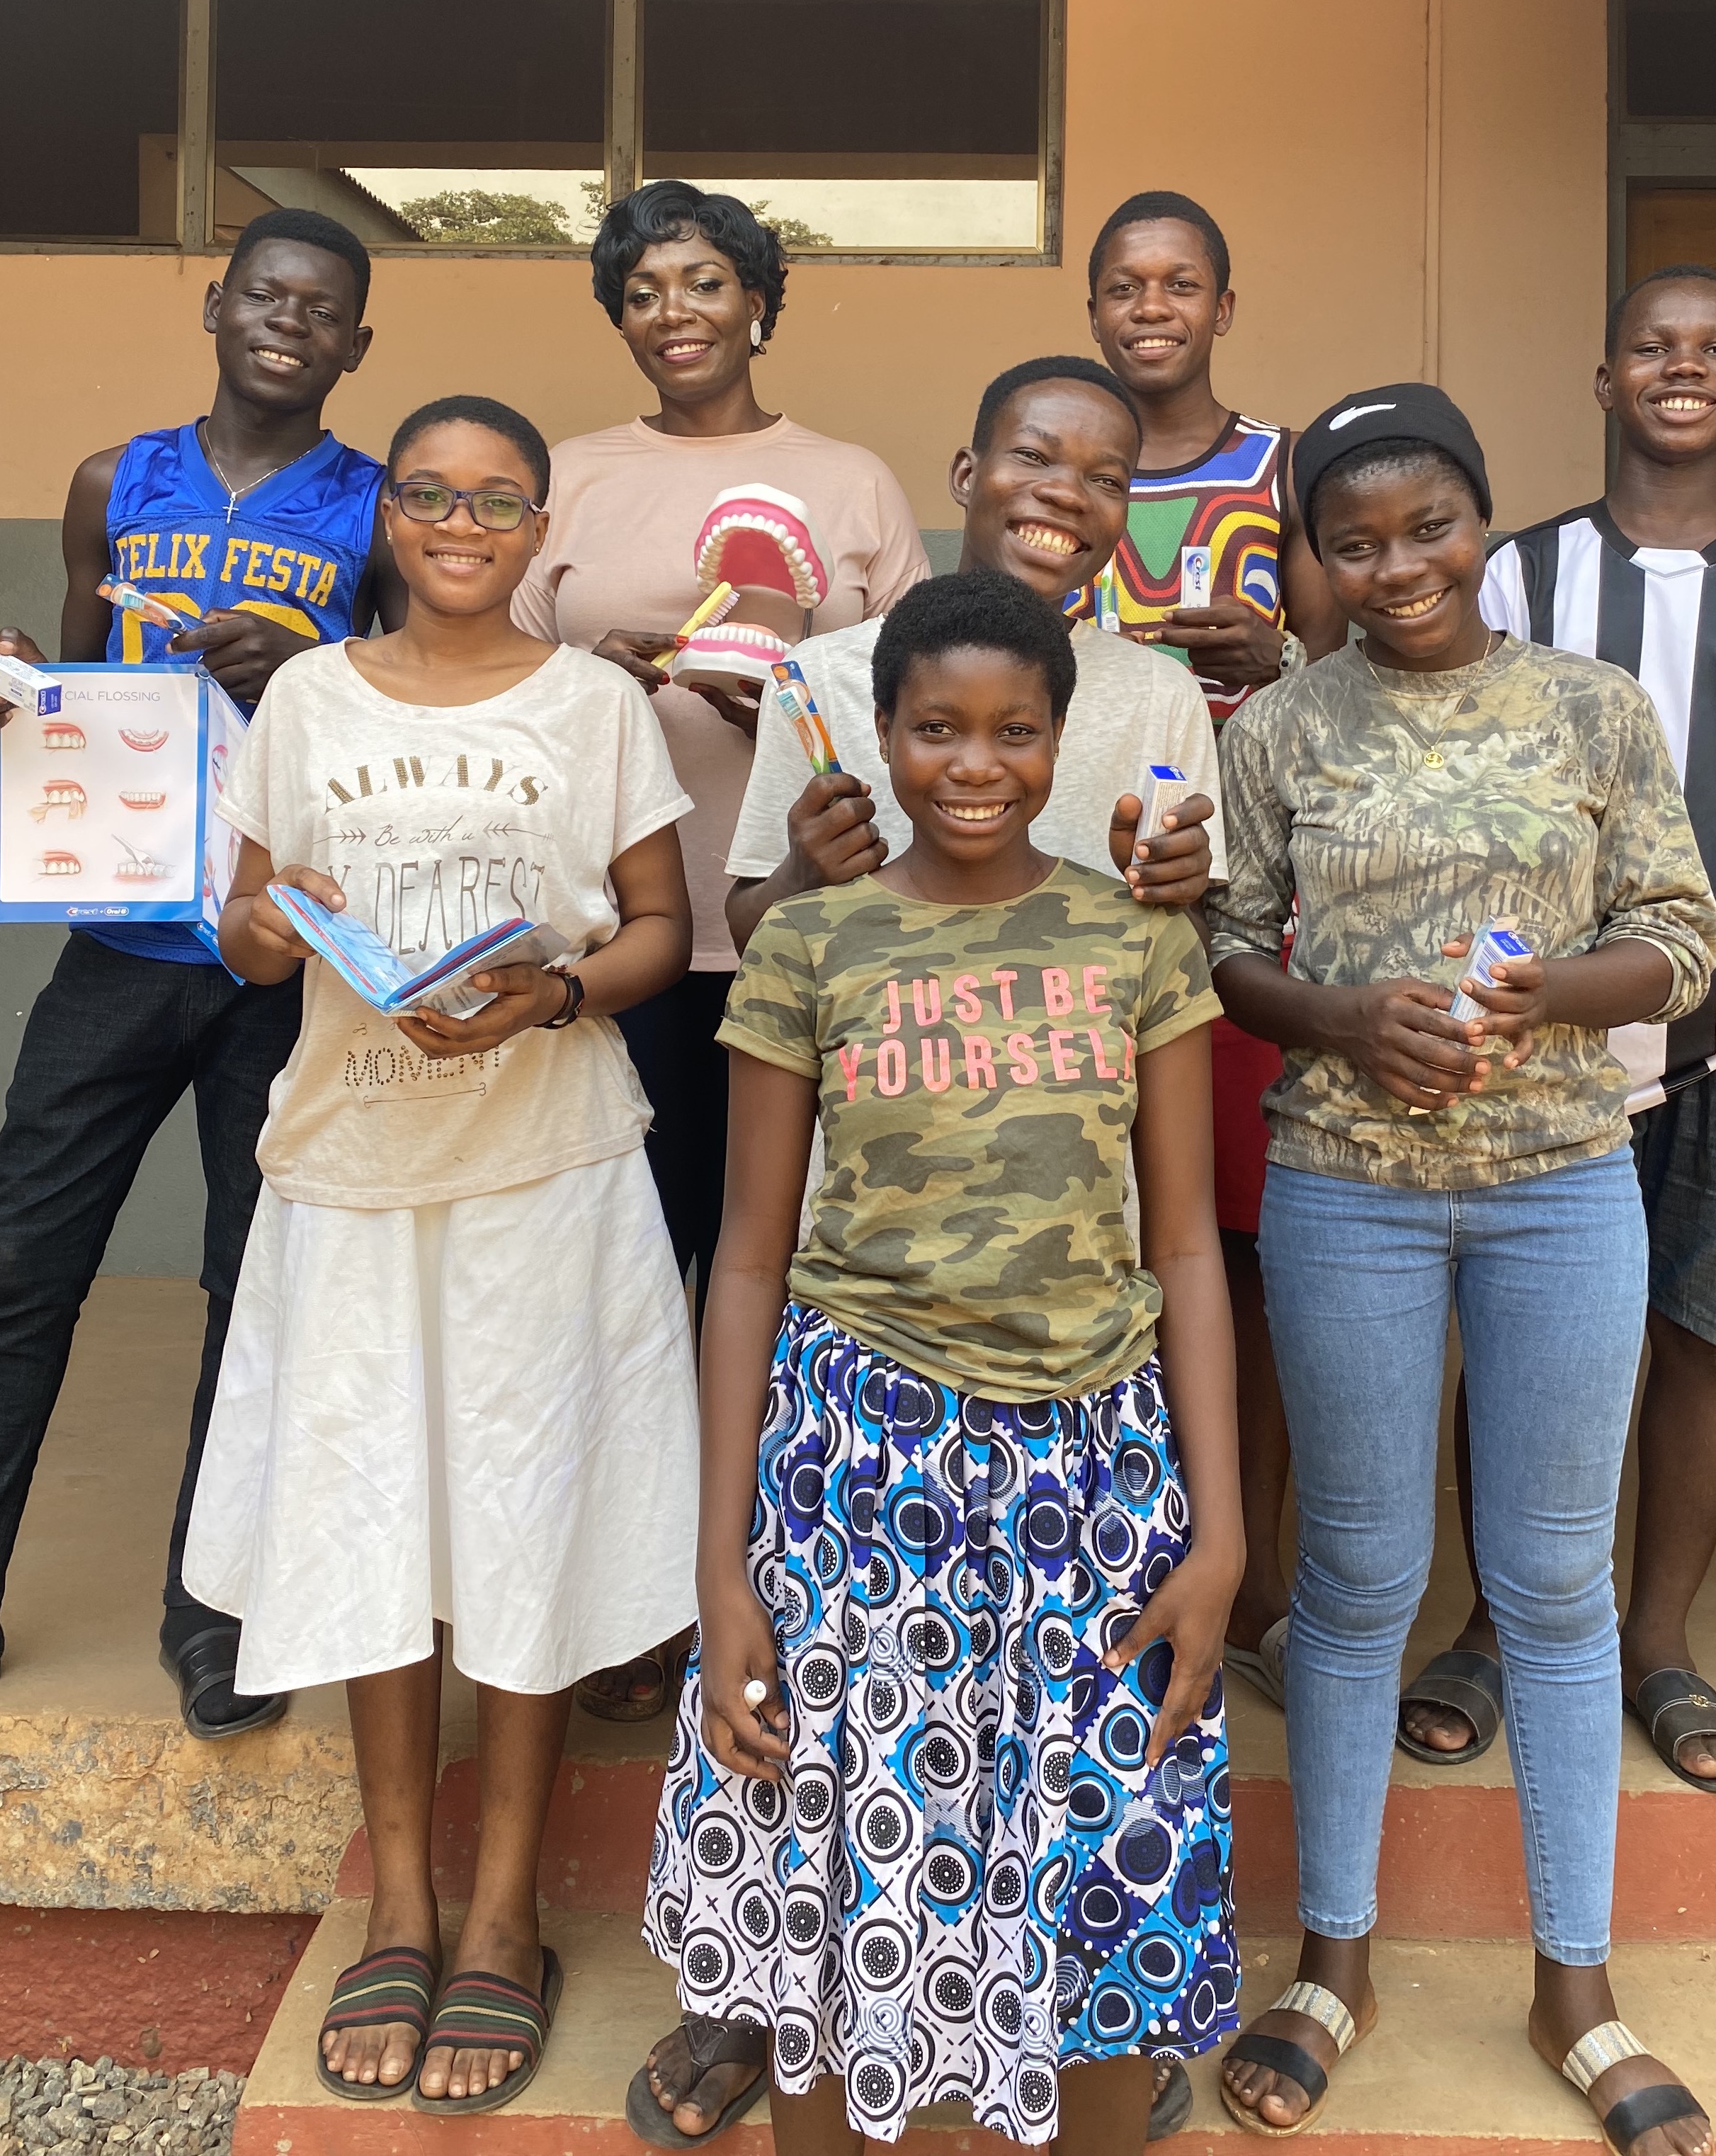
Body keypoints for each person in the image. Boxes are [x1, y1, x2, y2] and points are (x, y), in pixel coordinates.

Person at [642, 570, 1244, 2155]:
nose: (975, 765)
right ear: (879, 736)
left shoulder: (1138, 940)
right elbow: (752, 1260)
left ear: (1065, 740)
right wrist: (722, 1565)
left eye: (1014, 731)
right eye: (937, 729)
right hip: (858, 1470)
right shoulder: (811, 946)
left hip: (1093, 1470)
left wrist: (1224, 1531)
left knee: (1102, 1875)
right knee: (845, 1879)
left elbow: (1185, 1246)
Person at [1208, 385, 1716, 2155]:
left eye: (1427, 527)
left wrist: (1536, 994)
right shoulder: (1277, 722)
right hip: (1344, 1184)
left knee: (1555, 1584)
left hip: (1564, 1183)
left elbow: (1677, 935)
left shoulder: (1596, 707)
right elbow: (1220, 946)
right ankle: (1330, 1957)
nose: (1396, 565)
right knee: (1353, 1579)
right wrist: (1349, 1016)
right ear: (1321, 560)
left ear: (1483, 523)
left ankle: (1572, 1978)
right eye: (1354, 541)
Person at [188, 395, 699, 2114]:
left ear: (539, 522)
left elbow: (657, 930)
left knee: (524, 1524)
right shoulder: (307, 695)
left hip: (543, 1167)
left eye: (497, 497)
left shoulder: (597, 703)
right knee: (365, 1523)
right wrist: (260, 921)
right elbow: (250, 925)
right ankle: (395, 1900)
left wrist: (551, 989)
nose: (461, 519)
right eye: (429, 492)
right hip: (347, 1168)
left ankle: (500, 1917)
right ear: (386, 514)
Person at [1395, 266, 1716, 1791]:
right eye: (1654, 346)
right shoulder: (1521, 573)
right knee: (1522, 1341)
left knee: (1708, 1337)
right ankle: (1497, 1625)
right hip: (1549, 1029)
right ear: (1606, 375)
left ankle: (1659, 1639)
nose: (1684, 368)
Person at [0, 208, 402, 1743]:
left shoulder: (375, 509)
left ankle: (211, 1611)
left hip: (273, 953)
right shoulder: (117, 482)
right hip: (113, 943)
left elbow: (385, 715)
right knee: (19, 1268)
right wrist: (9, 696)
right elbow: (75, 681)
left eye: (322, 308)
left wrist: (300, 673)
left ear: (355, 347)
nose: (287, 322)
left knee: (249, 1292)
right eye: (264, 294)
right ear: (214, 303)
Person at [514, 178, 927, 1723]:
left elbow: (915, 712)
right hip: (621, 945)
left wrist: (796, 717)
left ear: (760, 300)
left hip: (807, 941)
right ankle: (635, 1592)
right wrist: (602, 682)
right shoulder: (568, 478)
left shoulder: (849, 481)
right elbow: (509, 683)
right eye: (642, 289)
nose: (673, 311)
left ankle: (770, 1576)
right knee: (636, 1274)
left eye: (703, 282)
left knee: (782, 1276)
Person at [1084, 189, 1347, 1706]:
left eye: (1182, 281)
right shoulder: (1078, 461)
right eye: (1125, 283)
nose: (1152, 304)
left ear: (1223, 308)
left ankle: (1249, 1577)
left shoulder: (1283, 462)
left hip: (1247, 900)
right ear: (1097, 308)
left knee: (1245, 1252)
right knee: (1117, 1228)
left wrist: (1279, 654)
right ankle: (1128, 1540)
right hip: (1093, 892)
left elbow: (1344, 666)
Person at [724, 356, 1223, 962]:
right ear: (966, 474)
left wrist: (1170, 892)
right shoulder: (816, 679)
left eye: (1107, 480)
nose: (1066, 492)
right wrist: (801, 876)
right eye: (1034, 457)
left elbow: (1193, 956)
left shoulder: (1161, 693)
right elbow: (751, 933)